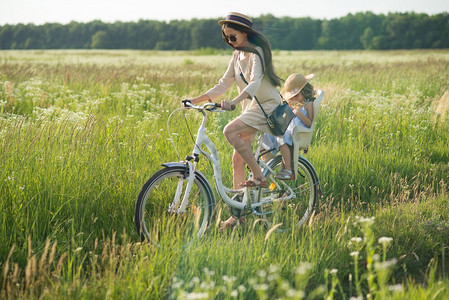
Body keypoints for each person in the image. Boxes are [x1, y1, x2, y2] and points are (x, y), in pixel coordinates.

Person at [189, 12, 282, 229]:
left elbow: (255, 83)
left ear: (244, 33)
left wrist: (234, 101)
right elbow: (224, 84)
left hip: (266, 107)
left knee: (229, 131)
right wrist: (195, 99)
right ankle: (237, 217)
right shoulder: (237, 55)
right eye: (226, 39)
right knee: (237, 160)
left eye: (233, 37)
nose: (230, 42)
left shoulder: (256, 53)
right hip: (251, 108)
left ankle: (259, 177)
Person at [262, 73, 316, 180]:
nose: (295, 98)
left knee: (281, 137)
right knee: (267, 134)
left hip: (297, 134)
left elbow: (310, 123)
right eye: (293, 96)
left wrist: (298, 113)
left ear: (305, 91)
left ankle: (288, 169)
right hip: (290, 130)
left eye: (297, 96)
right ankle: (264, 162)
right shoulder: (300, 104)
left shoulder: (309, 105)